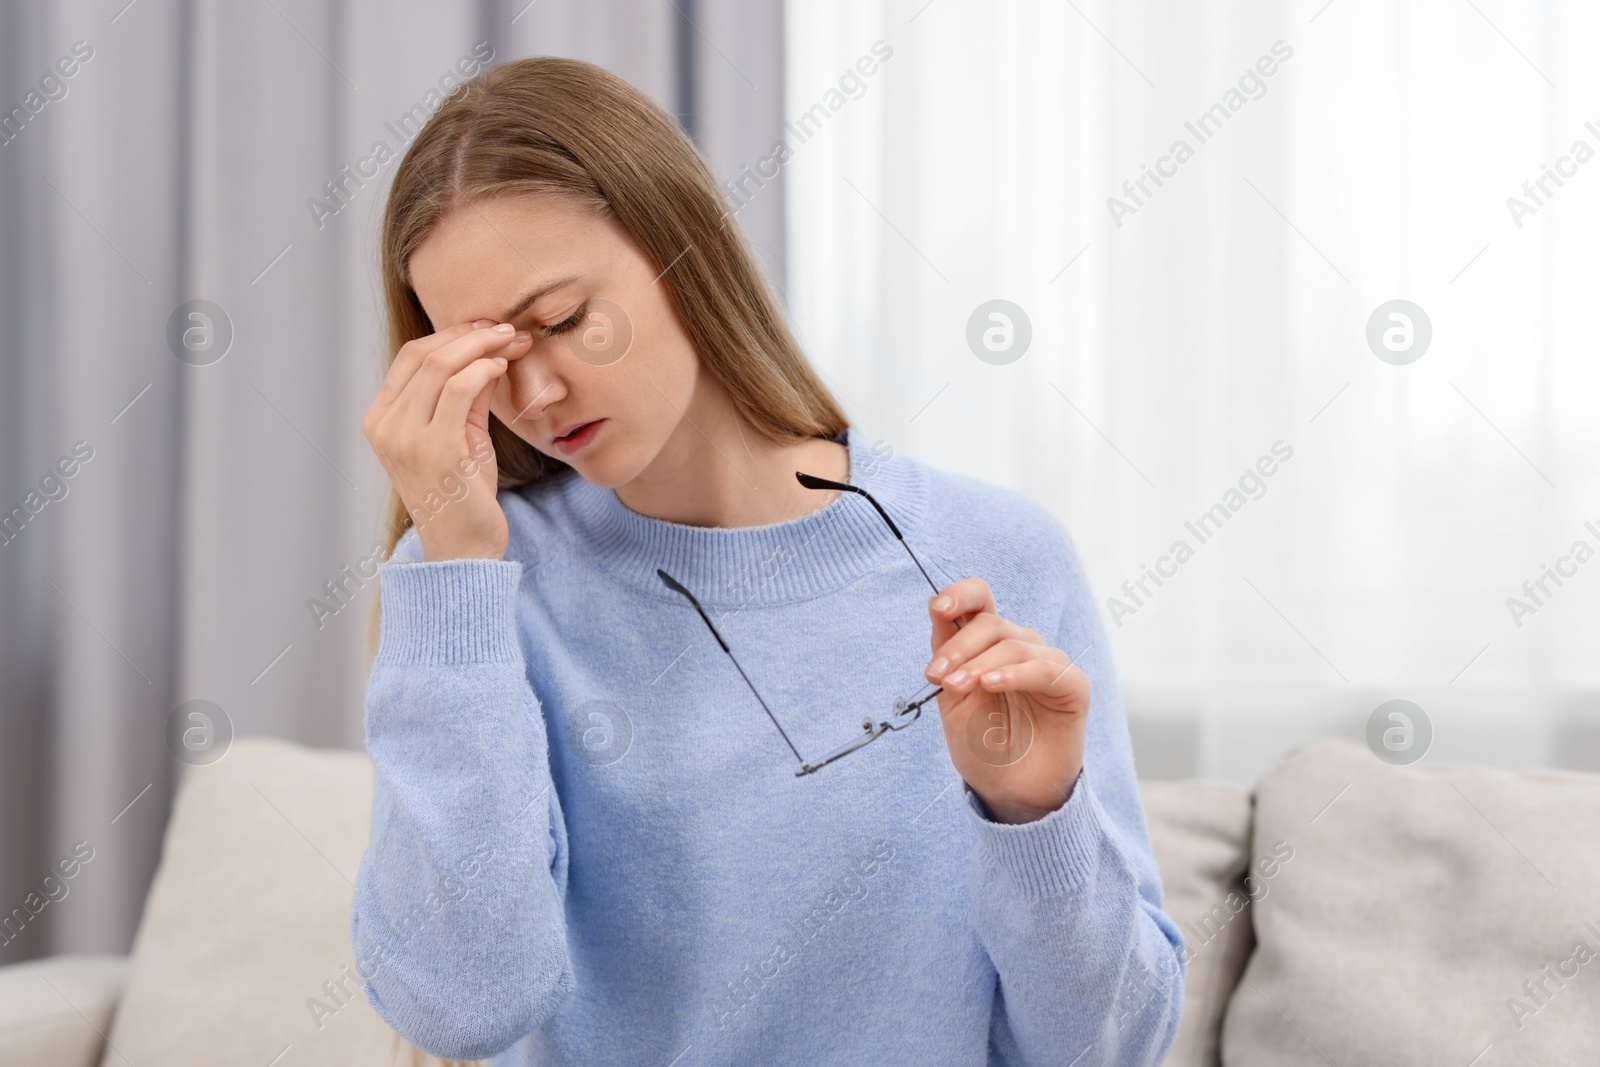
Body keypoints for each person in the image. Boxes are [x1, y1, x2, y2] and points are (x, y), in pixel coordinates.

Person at [352, 55, 1185, 1067]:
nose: (531, 393)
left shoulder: (995, 555)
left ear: (680, 249)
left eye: (563, 320)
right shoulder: (477, 586)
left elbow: (1108, 1050)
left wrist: (1034, 815)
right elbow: (464, 1005)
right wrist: (454, 575)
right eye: (480, 359)